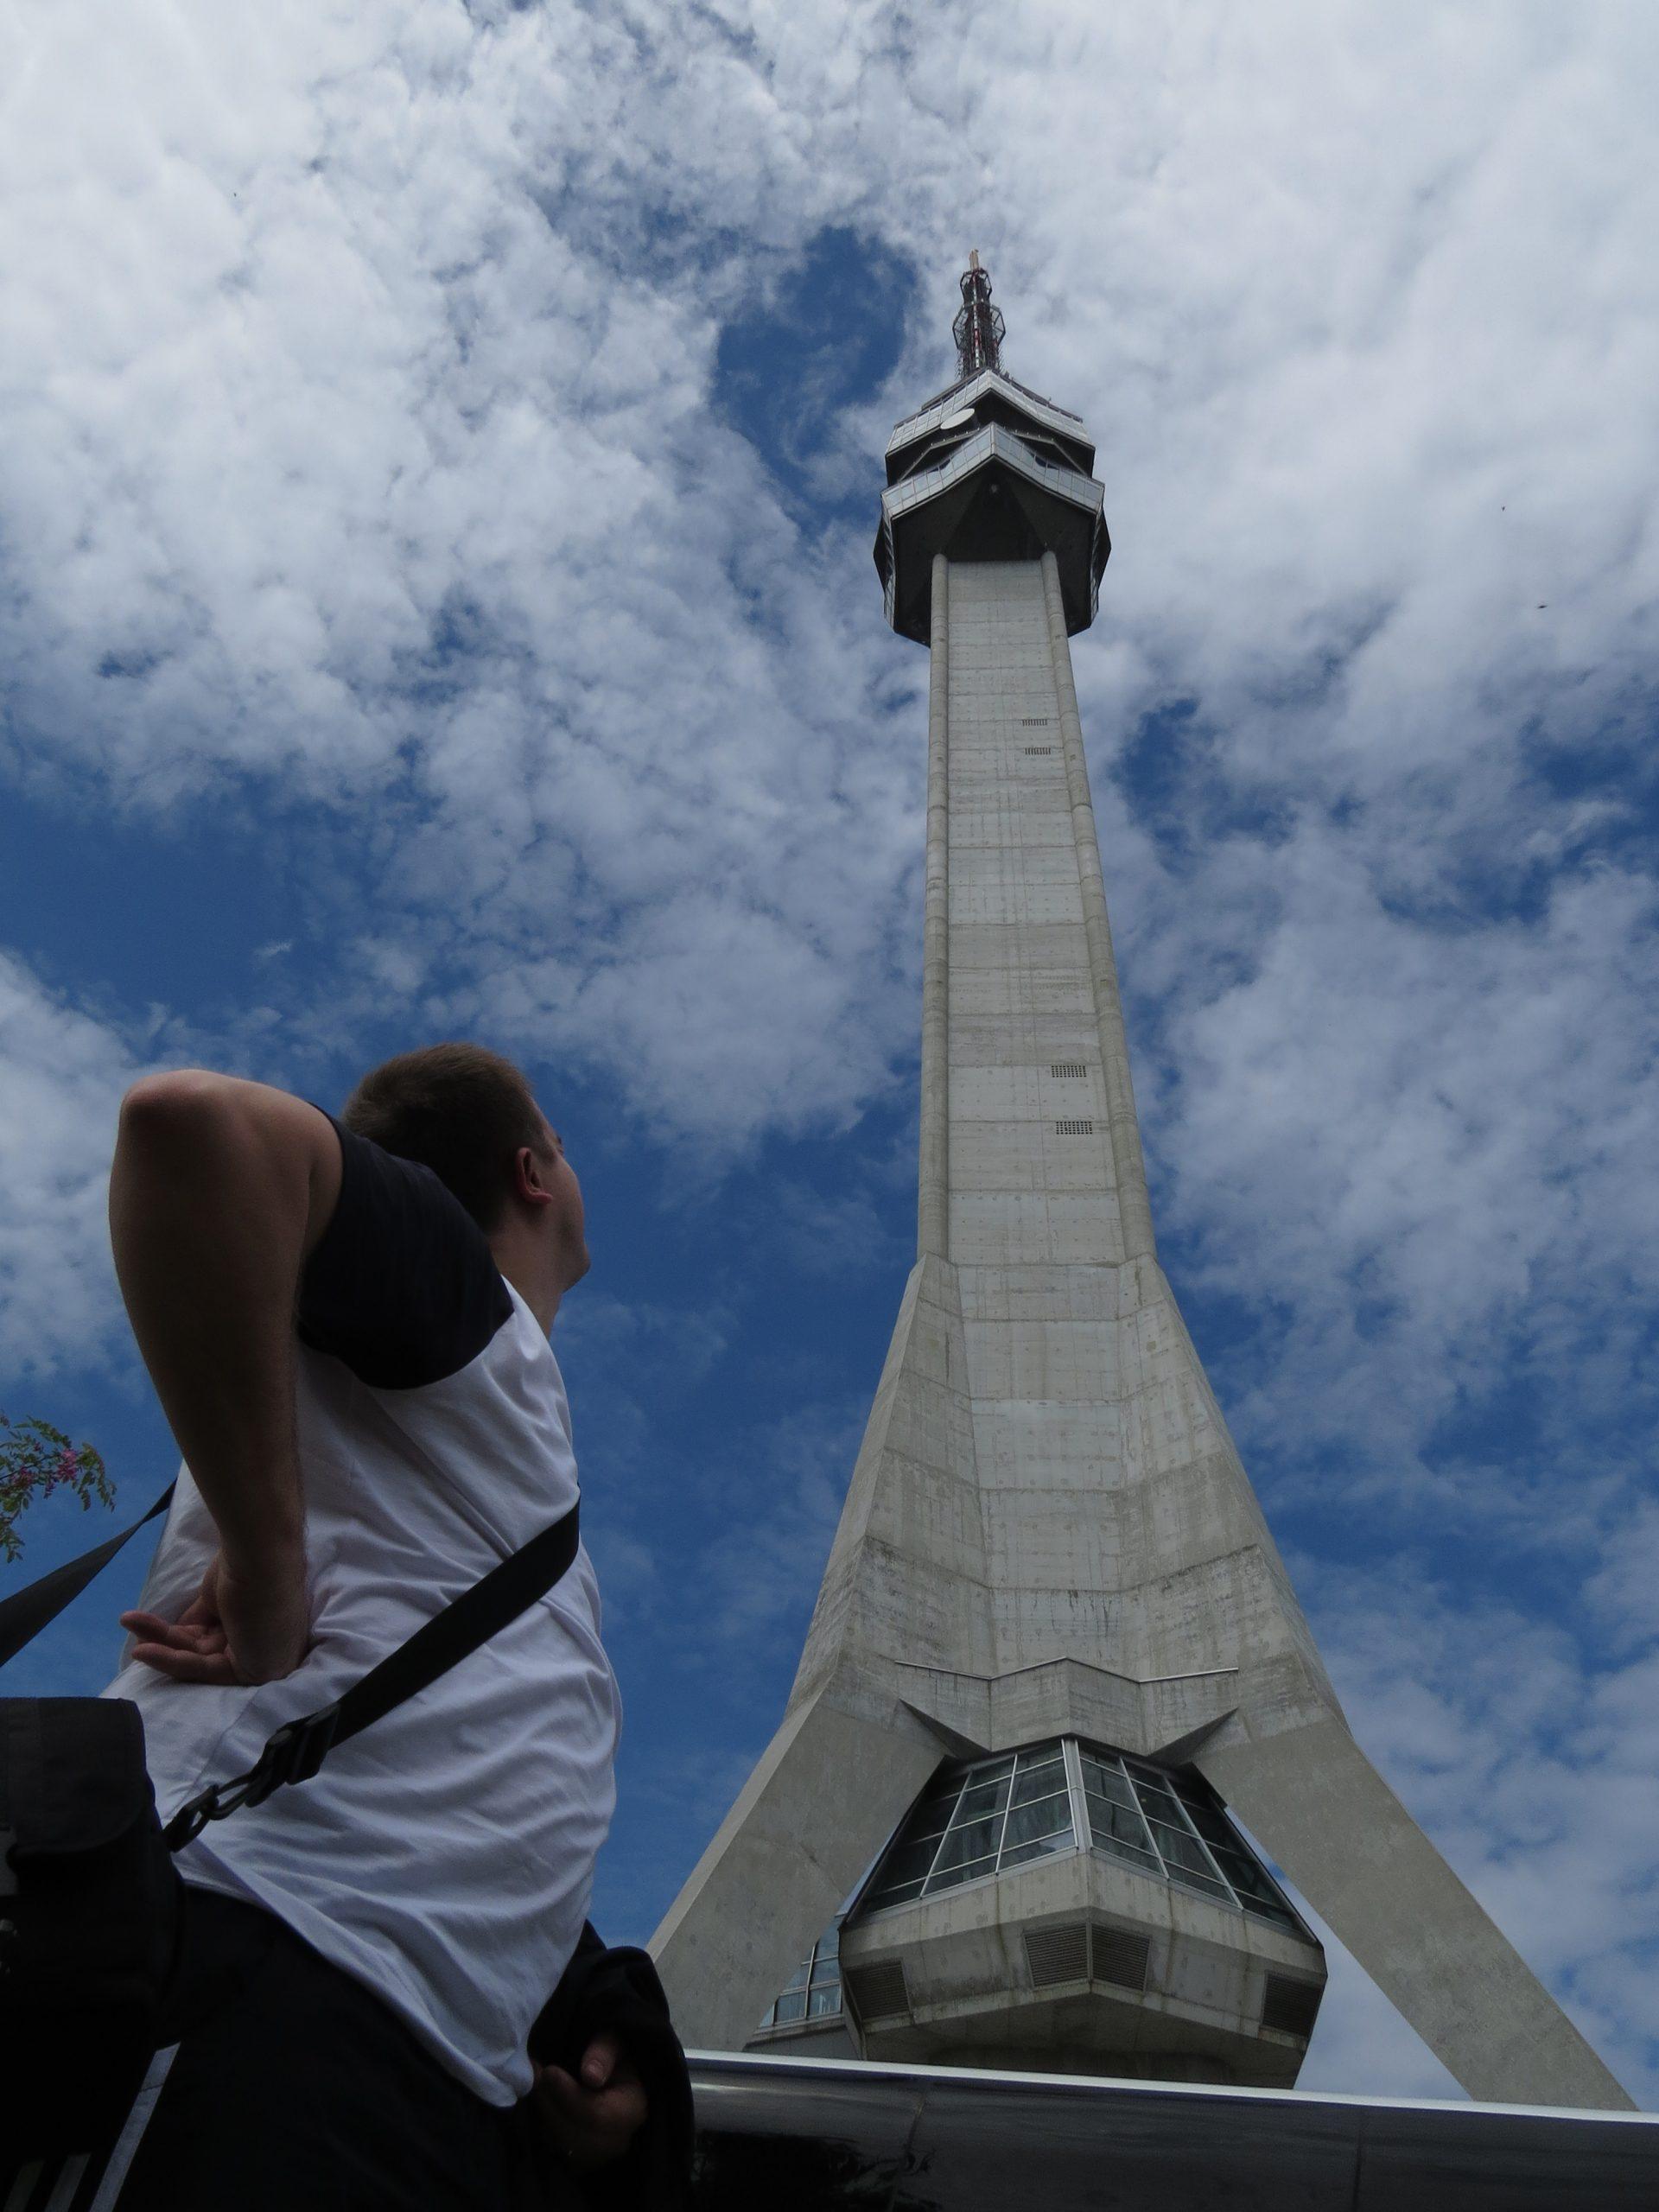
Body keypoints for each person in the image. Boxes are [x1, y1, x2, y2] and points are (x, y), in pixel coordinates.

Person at [94, 1043, 690, 2208]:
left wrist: (585, 2000)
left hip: (405, 2064)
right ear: (532, 1175)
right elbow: (194, 1123)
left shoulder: (452, 1409)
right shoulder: (469, 1316)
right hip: (257, 1983)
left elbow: (442, 1766)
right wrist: (269, 1573)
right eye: (565, 1145)